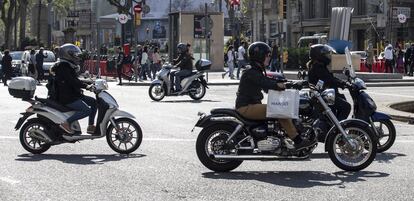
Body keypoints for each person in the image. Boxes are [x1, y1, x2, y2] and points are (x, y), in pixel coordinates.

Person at [236, 42, 313, 150]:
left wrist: (291, 83)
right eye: (267, 55)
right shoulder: (251, 72)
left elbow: (268, 83)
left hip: (252, 105)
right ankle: (298, 141)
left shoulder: (255, 70)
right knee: (280, 111)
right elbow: (266, 83)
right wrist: (284, 85)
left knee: (280, 109)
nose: (269, 58)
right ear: (260, 56)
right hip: (246, 107)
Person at [52, 43, 97, 135]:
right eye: (75, 55)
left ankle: (91, 126)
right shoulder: (63, 67)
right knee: (86, 110)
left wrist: (90, 82)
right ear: (68, 55)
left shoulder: (68, 66)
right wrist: (86, 86)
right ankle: (66, 123)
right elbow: (72, 81)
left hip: (73, 95)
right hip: (67, 97)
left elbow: (75, 80)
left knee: (94, 102)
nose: (77, 57)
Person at [307, 44, 351, 121]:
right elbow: (329, 79)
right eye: (325, 54)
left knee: (341, 100)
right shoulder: (318, 67)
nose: (328, 56)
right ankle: (338, 128)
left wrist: (343, 83)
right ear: (319, 55)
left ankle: (335, 125)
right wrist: (343, 83)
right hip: (322, 97)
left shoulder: (318, 66)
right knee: (346, 107)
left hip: (324, 95)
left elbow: (330, 78)